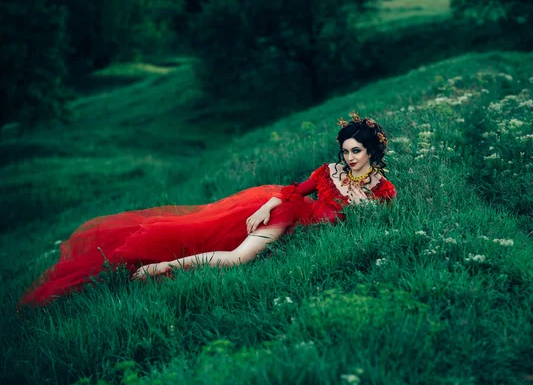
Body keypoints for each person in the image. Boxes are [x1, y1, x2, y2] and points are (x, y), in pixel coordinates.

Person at [17, 112, 396, 308]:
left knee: (225, 247)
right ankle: (158, 268)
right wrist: (268, 204)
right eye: (345, 150)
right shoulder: (328, 173)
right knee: (235, 258)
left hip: (307, 231)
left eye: (356, 151)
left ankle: (163, 266)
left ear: (372, 152)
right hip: (291, 216)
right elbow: (291, 192)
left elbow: (375, 229)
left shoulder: (384, 191)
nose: (348, 158)